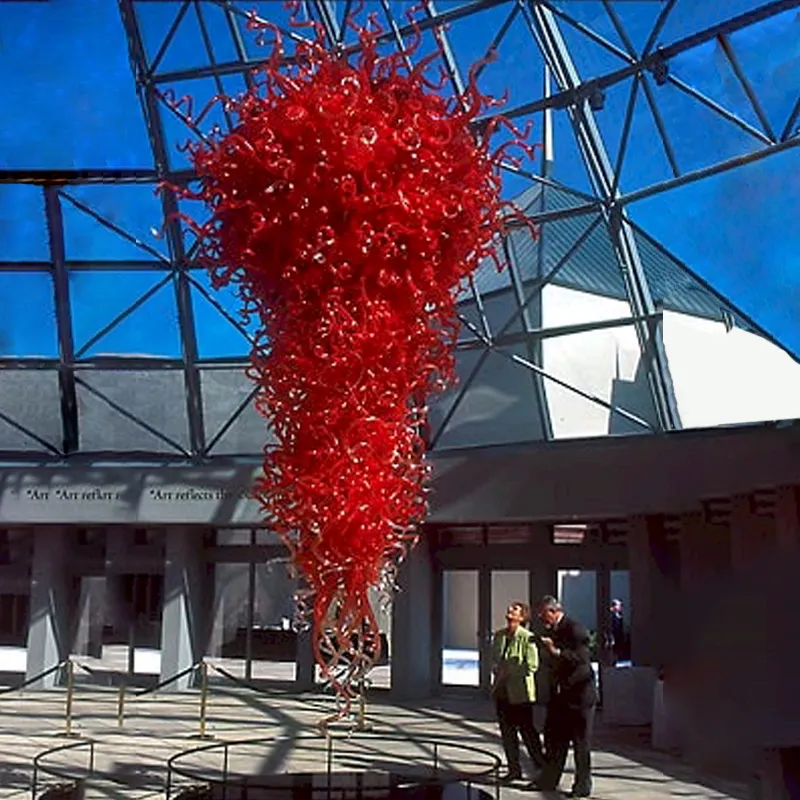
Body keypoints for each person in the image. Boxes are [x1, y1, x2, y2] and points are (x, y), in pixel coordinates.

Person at [534, 596, 597, 798]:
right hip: (560, 695)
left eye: (544, 615)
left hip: (579, 696)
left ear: (553, 611)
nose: (542, 619)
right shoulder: (551, 630)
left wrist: (556, 651)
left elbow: (582, 659)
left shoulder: (575, 629)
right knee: (555, 740)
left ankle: (582, 786)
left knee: (580, 743)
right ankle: (549, 780)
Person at [491, 601, 545, 784]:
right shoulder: (498, 636)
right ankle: (514, 769)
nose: (509, 611)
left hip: (520, 693)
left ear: (522, 617)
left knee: (527, 732)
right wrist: (496, 670)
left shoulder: (527, 638)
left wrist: (510, 671)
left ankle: (541, 766)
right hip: (501, 692)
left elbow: (532, 665)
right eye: (509, 609)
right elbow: (494, 659)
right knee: (507, 734)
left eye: (515, 609)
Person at [608, 599, 628, 664]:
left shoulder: (619, 615)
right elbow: (610, 626)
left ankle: (616, 661)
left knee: (618, 651)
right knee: (613, 651)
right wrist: (611, 637)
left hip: (619, 637)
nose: (620, 607)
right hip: (614, 636)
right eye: (619, 605)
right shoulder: (611, 615)